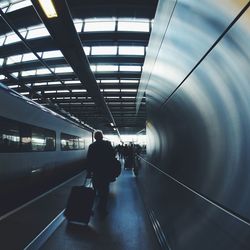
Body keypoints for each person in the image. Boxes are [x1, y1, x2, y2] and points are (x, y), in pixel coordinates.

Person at [86, 130, 115, 217]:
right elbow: (113, 156)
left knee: (95, 190)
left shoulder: (92, 146)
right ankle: (102, 209)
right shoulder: (107, 144)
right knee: (105, 191)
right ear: (102, 136)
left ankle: (91, 209)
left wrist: (88, 172)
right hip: (106, 171)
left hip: (96, 172)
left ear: (95, 137)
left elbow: (89, 160)